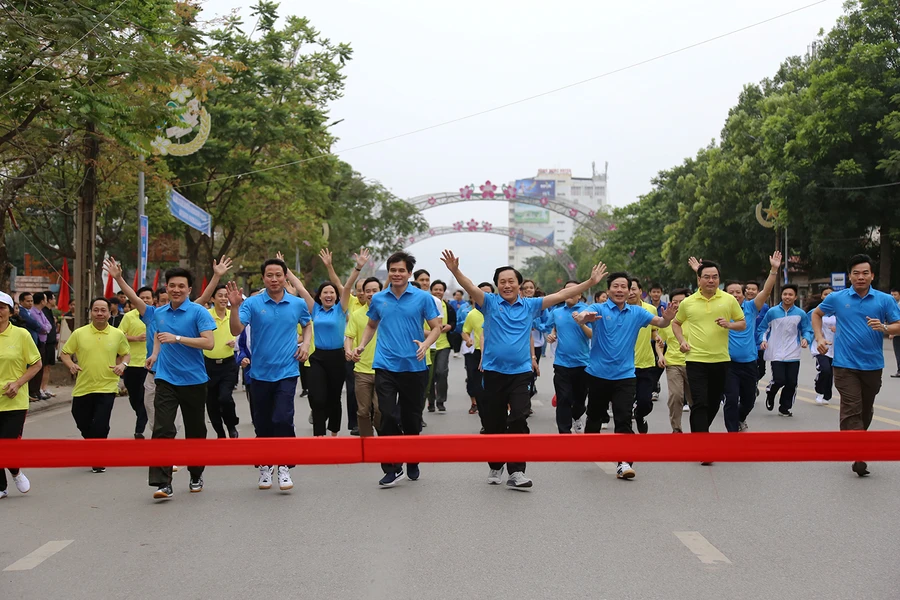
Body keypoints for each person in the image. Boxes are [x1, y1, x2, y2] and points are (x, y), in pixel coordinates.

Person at [443, 250, 607, 489]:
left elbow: (562, 293)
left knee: (519, 417)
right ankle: (496, 464)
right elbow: (469, 286)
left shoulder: (531, 305)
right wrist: (455, 270)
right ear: (497, 285)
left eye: (511, 281)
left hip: (520, 373)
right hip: (493, 372)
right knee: (493, 424)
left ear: (519, 285)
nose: (507, 285)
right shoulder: (488, 303)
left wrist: (591, 283)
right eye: (502, 282)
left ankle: (517, 471)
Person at [351, 252, 442, 486]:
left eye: (401, 270)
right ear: (388, 272)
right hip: (385, 365)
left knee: (412, 418)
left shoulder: (422, 298)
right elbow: (371, 325)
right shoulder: (379, 298)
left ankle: (412, 458)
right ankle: (391, 467)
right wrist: (361, 344)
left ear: (409, 273)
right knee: (386, 415)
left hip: (414, 366)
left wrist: (426, 343)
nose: (397, 274)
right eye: (393, 270)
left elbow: (436, 327)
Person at [574, 272, 677, 479]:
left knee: (623, 419)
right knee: (594, 417)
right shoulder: (599, 309)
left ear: (630, 290)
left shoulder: (637, 313)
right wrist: (584, 318)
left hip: (625, 375)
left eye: (624, 287)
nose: (620, 290)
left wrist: (667, 319)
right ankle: (591, 445)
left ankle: (624, 463)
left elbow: (660, 322)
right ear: (609, 289)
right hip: (598, 374)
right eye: (615, 286)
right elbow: (580, 316)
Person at [228, 257, 312, 492]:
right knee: (263, 422)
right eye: (269, 275)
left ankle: (284, 465)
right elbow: (236, 330)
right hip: (259, 373)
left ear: (285, 277)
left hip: (287, 371)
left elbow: (307, 324)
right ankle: (265, 464)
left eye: (278, 275)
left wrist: (305, 344)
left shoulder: (296, 303)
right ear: (263, 278)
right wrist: (235, 307)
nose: (274, 279)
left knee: (283, 418)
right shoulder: (252, 304)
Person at [813, 254, 900, 477]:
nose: (860, 277)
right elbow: (817, 313)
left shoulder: (884, 300)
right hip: (844, 365)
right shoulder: (838, 298)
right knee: (852, 407)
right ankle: (859, 453)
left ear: (872, 275)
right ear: (849, 276)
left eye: (865, 273)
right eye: (856, 273)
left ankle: (856, 442)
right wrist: (819, 338)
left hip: (872, 365)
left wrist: (884, 327)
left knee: (865, 409)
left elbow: (897, 325)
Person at [700, 252, 780, 432]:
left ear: (743, 294)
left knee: (749, 401)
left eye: (738, 292)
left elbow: (766, 291)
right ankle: (732, 433)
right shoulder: (718, 308)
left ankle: (740, 417)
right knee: (731, 398)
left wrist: (774, 269)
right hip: (728, 364)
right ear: (724, 294)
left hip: (750, 363)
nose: (735, 295)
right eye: (731, 292)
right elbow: (707, 289)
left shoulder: (751, 307)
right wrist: (699, 272)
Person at [293, 248, 368, 437]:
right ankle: (319, 434)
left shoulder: (341, 309)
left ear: (336, 296)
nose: (328, 295)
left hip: (337, 357)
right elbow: (301, 289)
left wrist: (357, 267)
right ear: (320, 295)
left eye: (332, 293)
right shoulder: (315, 309)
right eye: (325, 292)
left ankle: (333, 431)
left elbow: (348, 286)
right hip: (317, 357)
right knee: (317, 398)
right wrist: (284, 270)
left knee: (334, 398)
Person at [672, 260, 745, 442]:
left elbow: (742, 323)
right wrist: (682, 341)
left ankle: (698, 433)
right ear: (699, 279)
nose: (711, 280)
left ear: (719, 279)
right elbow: (676, 323)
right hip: (696, 360)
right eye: (706, 277)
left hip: (721, 360)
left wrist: (729, 324)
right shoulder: (688, 303)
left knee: (713, 403)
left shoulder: (728, 300)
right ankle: (703, 444)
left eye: (715, 277)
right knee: (700, 402)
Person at [60, 297, 131, 473]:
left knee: (100, 423)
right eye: (96, 310)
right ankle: (94, 446)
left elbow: (126, 354)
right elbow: (65, 353)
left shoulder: (117, 334)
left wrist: (123, 365)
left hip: (107, 386)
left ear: (109, 312)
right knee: (81, 419)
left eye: (103, 310)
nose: (99, 313)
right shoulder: (79, 333)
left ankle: (98, 457)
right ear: (91, 312)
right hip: (83, 386)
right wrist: (71, 365)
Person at [0, 291, 42, 499]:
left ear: (10, 311)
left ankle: (15, 471)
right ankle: (1, 486)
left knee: (7, 443)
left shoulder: (21, 334)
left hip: (14, 400)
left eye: (1, 307)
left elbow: (36, 364)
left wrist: (18, 383)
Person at [544, 281, 592, 434]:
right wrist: (551, 336)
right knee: (563, 398)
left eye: (574, 291)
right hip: (562, 363)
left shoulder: (587, 311)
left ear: (580, 294)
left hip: (583, 363)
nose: (570, 294)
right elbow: (550, 328)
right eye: (566, 291)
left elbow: (592, 335)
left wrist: (581, 323)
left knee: (579, 400)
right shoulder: (557, 312)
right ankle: (564, 433)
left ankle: (576, 417)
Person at [760, 284, 813, 418]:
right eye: (785, 294)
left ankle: (785, 407)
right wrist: (763, 340)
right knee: (779, 380)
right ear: (781, 295)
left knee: (791, 382)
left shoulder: (800, 314)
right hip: (776, 351)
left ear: (795, 297)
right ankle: (771, 392)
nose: (787, 297)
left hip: (793, 352)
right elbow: (763, 328)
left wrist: (806, 339)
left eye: (790, 295)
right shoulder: (772, 312)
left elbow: (807, 329)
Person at [345, 276, 383, 437]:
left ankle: (382, 436)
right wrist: (348, 350)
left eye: (375, 290)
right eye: (368, 291)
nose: (371, 294)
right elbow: (349, 336)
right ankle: (367, 442)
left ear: (382, 292)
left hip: (383, 369)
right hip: (362, 369)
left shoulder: (388, 312)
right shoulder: (357, 314)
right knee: (362, 410)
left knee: (381, 409)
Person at [117, 286, 153, 439]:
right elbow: (119, 335)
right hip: (131, 364)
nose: (145, 300)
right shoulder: (129, 316)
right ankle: (141, 415)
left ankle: (139, 428)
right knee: (133, 397)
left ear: (153, 300)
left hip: (148, 364)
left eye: (148, 298)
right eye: (142, 298)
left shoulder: (155, 315)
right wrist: (135, 338)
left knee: (144, 397)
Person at [204, 284, 240, 439]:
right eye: (220, 295)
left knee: (225, 397)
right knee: (211, 402)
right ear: (212, 298)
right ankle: (220, 432)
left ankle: (231, 425)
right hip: (208, 365)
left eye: (226, 295)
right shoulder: (205, 315)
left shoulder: (233, 315)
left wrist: (235, 343)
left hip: (228, 364)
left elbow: (242, 335)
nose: (224, 298)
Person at [628, 279, 662, 434]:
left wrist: (657, 338)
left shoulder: (649, 309)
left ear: (640, 291)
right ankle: (626, 430)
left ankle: (640, 415)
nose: (630, 292)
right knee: (625, 402)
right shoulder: (620, 310)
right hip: (625, 365)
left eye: (633, 289)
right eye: (627, 289)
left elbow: (654, 330)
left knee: (645, 402)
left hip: (646, 363)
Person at [656, 289, 691, 433]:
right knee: (676, 396)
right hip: (673, 364)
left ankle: (699, 429)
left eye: (681, 302)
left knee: (696, 400)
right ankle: (676, 429)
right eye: (675, 302)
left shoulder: (694, 319)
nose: (678, 305)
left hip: (694, 362)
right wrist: (661, 355)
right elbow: (659, 341)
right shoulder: (667, 322)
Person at [461, 283, 493, 418]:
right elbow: (465, 331)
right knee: (476, 383)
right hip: (478, 353)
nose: (485, 296)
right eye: (482, 293)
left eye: (488, 293)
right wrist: (468, 339)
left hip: (494, 353)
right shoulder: (472, 314)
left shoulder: (498, 310)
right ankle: (478, 406)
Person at [426, 280, 455, 412]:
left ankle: (441, 400)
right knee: (430, 375)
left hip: (444, 344)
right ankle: (430, 401)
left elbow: (454, 322)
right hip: (429, 344)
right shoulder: (426, 304)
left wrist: (450, 326)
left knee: (441, 372)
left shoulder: (448, 307)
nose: (438, 292)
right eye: (435, 289)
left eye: (440, 290)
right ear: (431, 291)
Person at [21, 292, 51, 401]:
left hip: (40, 342)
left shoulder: (38, 312)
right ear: (21, 302)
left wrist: (45, 328)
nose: (30, 303)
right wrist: (44, 328)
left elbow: (48, 326)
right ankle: (31, 391)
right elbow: (37, 325)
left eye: (31, 301)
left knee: (40, 367)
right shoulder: (26, 312)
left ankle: (36, 390)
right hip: (32, 343)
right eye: (27, 301)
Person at [810, 287, 836, 405]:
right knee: (825, 370)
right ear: (821, 296)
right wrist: (807, 337)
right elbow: (805, 326)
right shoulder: (815, 312)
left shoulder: (839, 311)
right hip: (819, 346)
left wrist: (839, 328)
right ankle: (819, 390)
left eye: (831, 294)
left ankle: (827, 395)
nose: (828, 296)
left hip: (835, 347)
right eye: (825, 294)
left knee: (831, 372)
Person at [744, 280, 770, 382]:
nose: (750, 291)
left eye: (753, 289)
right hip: (746, 344)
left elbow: (768, 325)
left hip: (759, 344)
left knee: (761, 370)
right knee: (749, 368)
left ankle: (753, 383)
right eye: (748, 289)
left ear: (758, 291)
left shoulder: (764, 308)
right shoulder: (740, 305)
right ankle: (750, 386)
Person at [39, 291, 59, 399]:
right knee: (43, 366)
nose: (54, 300)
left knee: (48, 367)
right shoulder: (43, 312)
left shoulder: (50, 311)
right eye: (53, 298)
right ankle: (41, 388)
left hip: (51, 343)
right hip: (45, 343)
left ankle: (45, 387)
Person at [448, 289, 467, 357]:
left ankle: (460, 350)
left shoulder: (465, 304)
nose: (457, 296)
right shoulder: (452, 303)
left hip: (462, 322)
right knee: (455, 336)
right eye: (456, 295)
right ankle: (455, 350)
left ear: (462, 296)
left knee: (461, 336)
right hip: (454, 321)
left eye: (459, 295)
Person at [891, 288, 900, 378]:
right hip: (897, 333)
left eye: (895, 295)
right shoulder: (893, 305)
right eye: (892, 295)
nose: (893, 297)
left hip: (898, 333)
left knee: (898, 352)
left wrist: (892, 331)